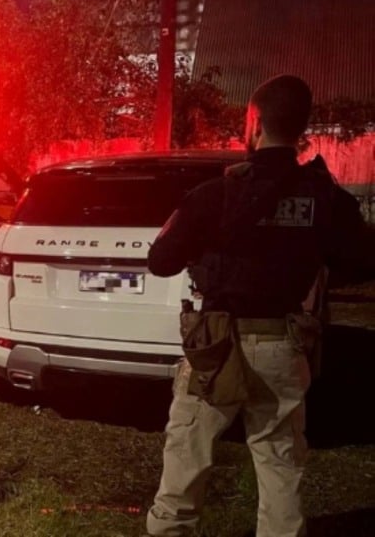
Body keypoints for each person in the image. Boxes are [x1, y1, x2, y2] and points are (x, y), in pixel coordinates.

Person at [144, 74, 374, 537]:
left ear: (254, 122)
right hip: (282, 344)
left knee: (188, 452)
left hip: (217, 350)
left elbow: (161, 261)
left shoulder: (217, 193)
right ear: (301, 128)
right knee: (279, 462)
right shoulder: (324, 198)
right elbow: (363, 259)